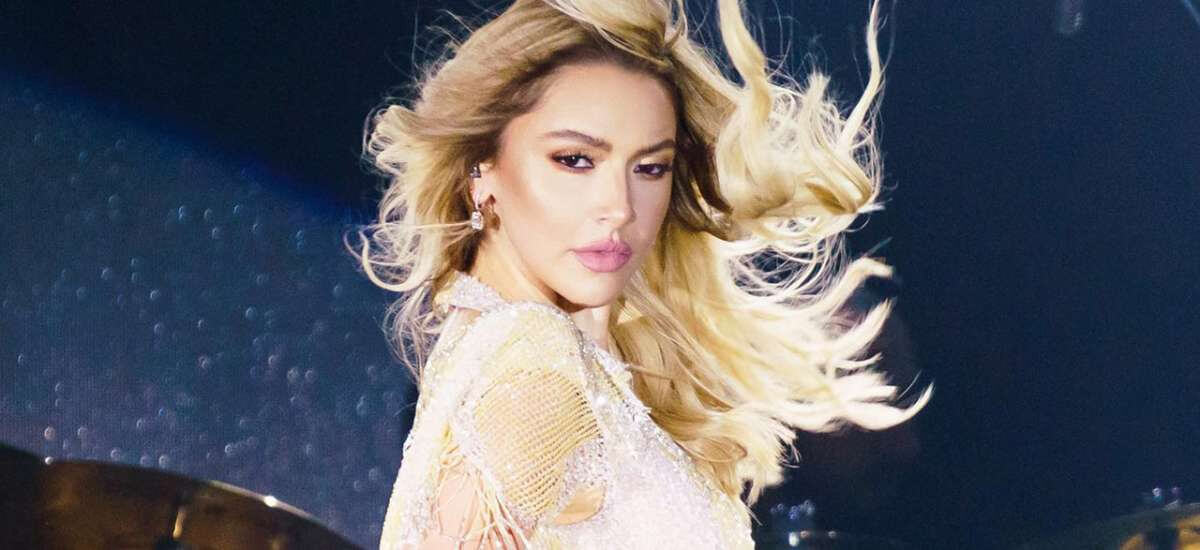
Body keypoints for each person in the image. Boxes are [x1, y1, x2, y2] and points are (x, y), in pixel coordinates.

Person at [352, 0, 931, 548]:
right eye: (575, 160)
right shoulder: (535, 355)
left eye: (651, 168)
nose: (620, 207)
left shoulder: (497, 346)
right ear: (481, 172)